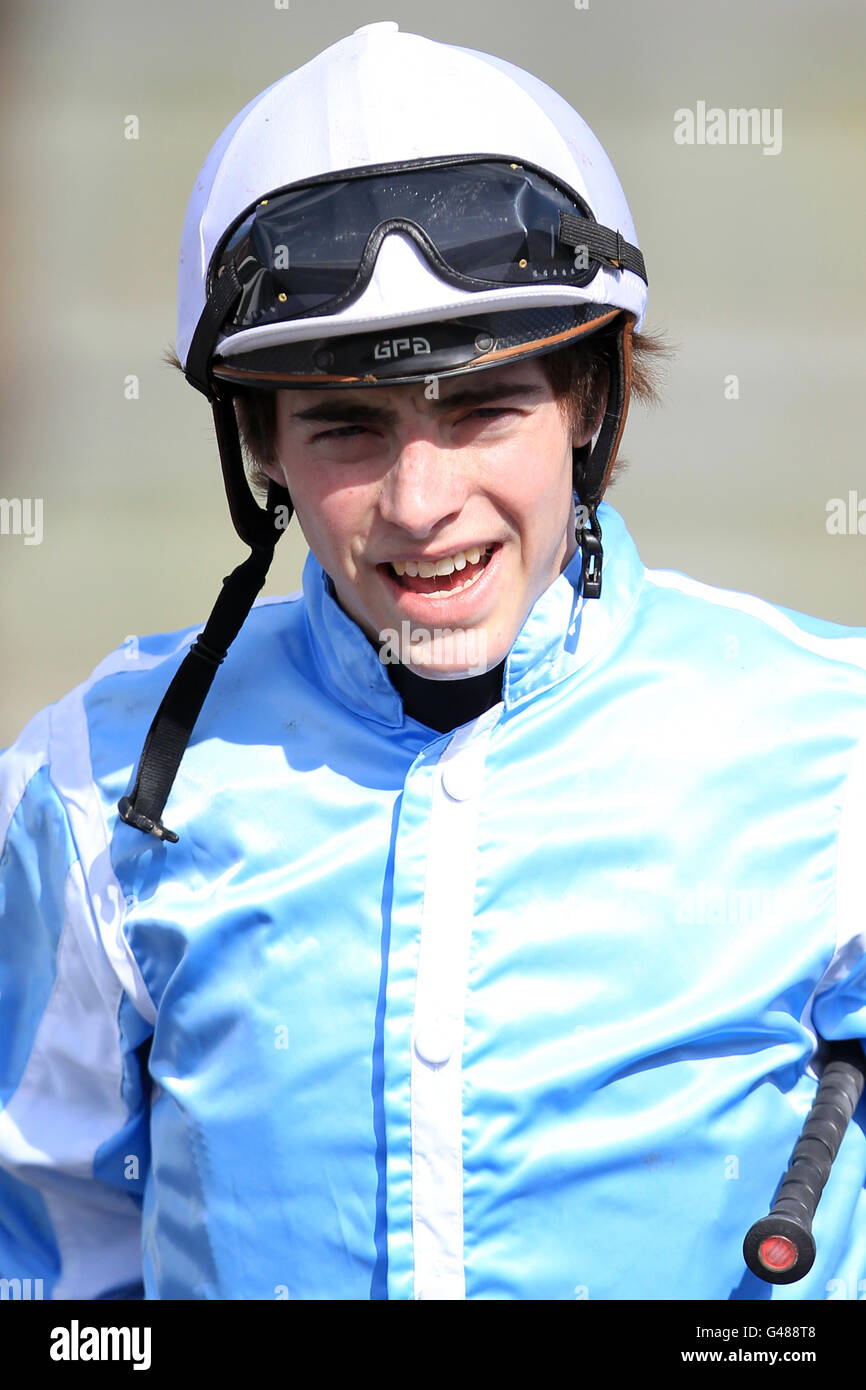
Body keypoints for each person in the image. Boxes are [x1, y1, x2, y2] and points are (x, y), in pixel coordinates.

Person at [1, 21, 864, 1303]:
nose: (419, 500)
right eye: (345, 424)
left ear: (589, 403)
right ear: (262, 456)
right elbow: (49, 1275)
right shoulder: (88, 785)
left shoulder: (833, 743)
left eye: (480, 409)